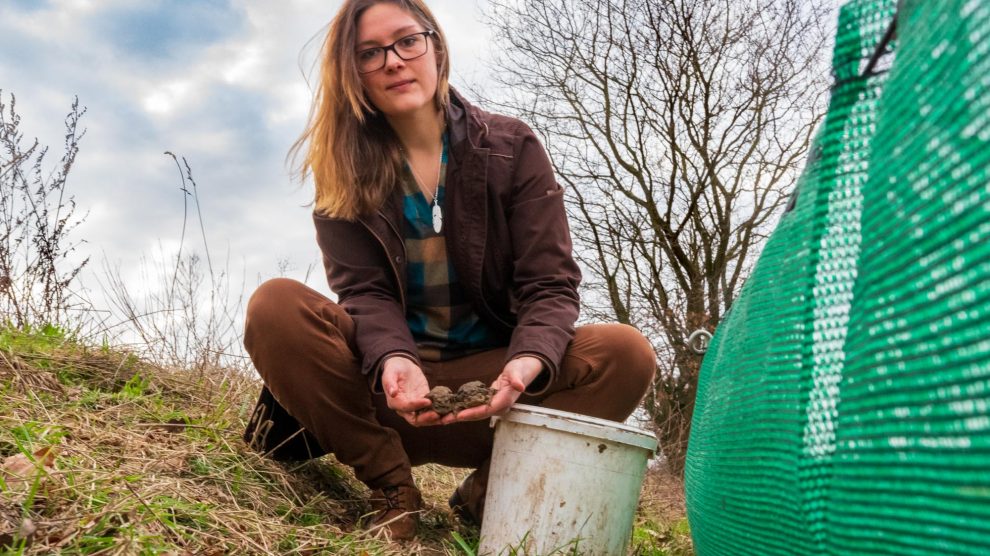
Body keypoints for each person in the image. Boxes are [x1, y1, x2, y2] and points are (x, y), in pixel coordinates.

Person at [242, 0, 656, 541]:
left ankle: (487, 496)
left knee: (625, 353)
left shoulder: (511, 147)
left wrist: (529, 360)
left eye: (407, 41)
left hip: (495, 397)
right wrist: (393, 358)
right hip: (383, 394)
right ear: (353, 74)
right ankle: (391, 487)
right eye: (370, 53)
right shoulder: (341, 170)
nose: (393, 61)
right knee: (275, 305)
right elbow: (363, 292)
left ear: (436, 45)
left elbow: (550, 285)